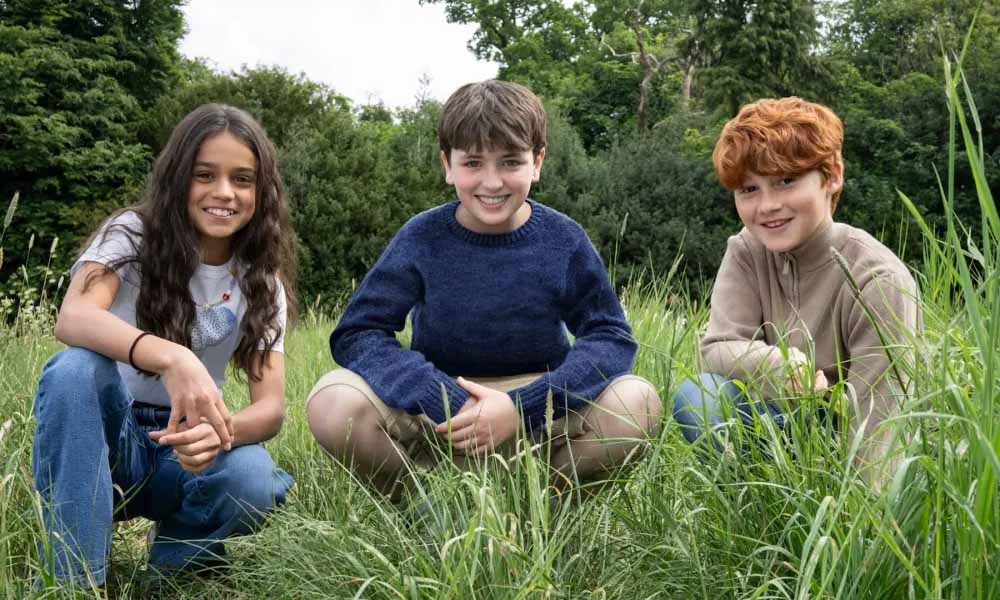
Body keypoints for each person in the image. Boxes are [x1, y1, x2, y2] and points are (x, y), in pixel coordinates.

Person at [306, 80, 661, 501]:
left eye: (510, 162)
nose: (492, 183)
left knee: (638, 401)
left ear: (537, 162)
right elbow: (358, 333)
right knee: (332, 402)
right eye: (473, 163)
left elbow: (609, 336)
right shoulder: (422, 237)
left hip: (538, 413)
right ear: (448, 164)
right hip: (438, 414)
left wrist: (522, 407)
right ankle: (427, 506)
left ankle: (541, 507)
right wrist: (441, 396)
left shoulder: (563, 239)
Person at [31, 103, 296, 587]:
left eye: (242, 179)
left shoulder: (261, 281)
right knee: (74, 369)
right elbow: (73, 317)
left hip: (185, 446)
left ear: (262, 191)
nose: (224, 192)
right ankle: (74, 582)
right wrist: (173, 357)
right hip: (106, 434)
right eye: (204, 175)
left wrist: (220, 432)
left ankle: (174, 569)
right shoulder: (131, 233)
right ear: (177, 178)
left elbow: (272, 408)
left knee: (253, 476)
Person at [672, 97, 919, 481]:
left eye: (786, 181)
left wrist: (861, 507)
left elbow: (881, 418)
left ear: (832, 176)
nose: (767, 206)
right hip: (775, 419)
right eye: (749, 189)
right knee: (698, 396)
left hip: (847, 433)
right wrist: (781, 367)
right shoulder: (747, 251)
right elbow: (717, 348)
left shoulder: (878, 278)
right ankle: (753, 504)